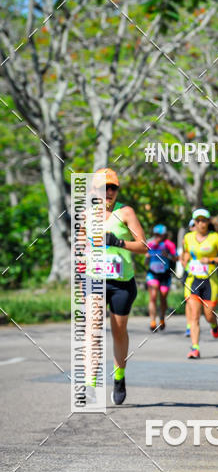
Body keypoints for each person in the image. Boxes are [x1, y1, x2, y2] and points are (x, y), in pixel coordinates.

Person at [86, 167, 147, 405]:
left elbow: (143, 246)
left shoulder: (126, 212)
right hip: (95, 279)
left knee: (118, 330)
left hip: (122, 282)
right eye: (103, 188)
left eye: (112, 188)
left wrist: (118, 241)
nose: (108, 192)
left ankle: (119, 376)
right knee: (93, 328)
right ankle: (91, 383)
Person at [181, 208, 218, 358]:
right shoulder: (188, 237)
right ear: (194, 222)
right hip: (193, 280)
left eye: (203, 220)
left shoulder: (215, 238)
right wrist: (184, 261)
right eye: (198, 221)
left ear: (208, 222)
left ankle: (214, 325)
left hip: (210, 281)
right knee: (194, 315)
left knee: (208, 315)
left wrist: (211, 260)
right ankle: (194, 348)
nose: (200, 223)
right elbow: (185, 253)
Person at [146, 224, 176, 331]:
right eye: (156, 234)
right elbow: (146, 261)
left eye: (160, 235)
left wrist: (167, 256)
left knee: (163, 297)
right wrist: (147, 257)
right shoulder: (149, 243)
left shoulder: (169, 245)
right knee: (153, 296)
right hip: (152, 273)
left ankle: (162, 318)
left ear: (164, 235)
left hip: (165, 274)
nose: (158, 237)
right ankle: (152, 321)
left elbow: (176, 258)